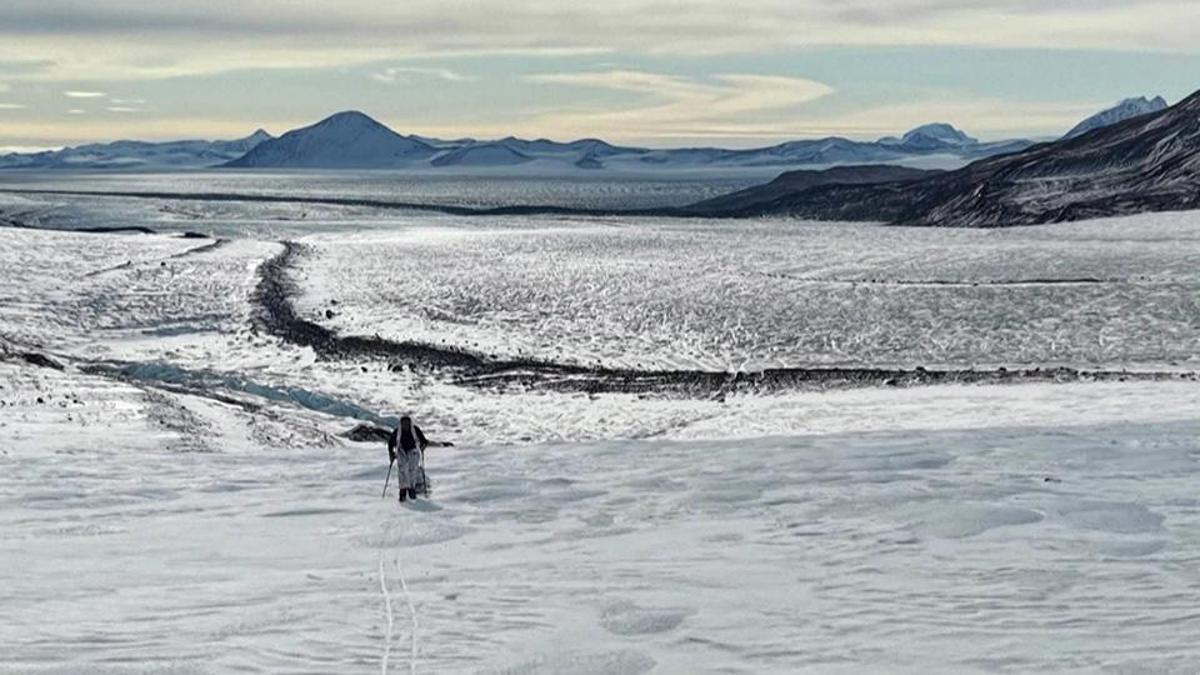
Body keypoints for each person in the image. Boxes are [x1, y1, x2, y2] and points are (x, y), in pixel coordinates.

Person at [388, 415, 451, 502]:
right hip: (401, 452)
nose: (405, 425)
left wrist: (422, 448)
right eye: (403, 423)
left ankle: (411, 489)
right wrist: (391, 453)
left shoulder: (415, 430)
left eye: (407, 423)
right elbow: (390, 443)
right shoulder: (397, 431)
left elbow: (424, 441)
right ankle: (402, 491)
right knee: (402, 471)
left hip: (413, 452)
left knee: (412, 470)